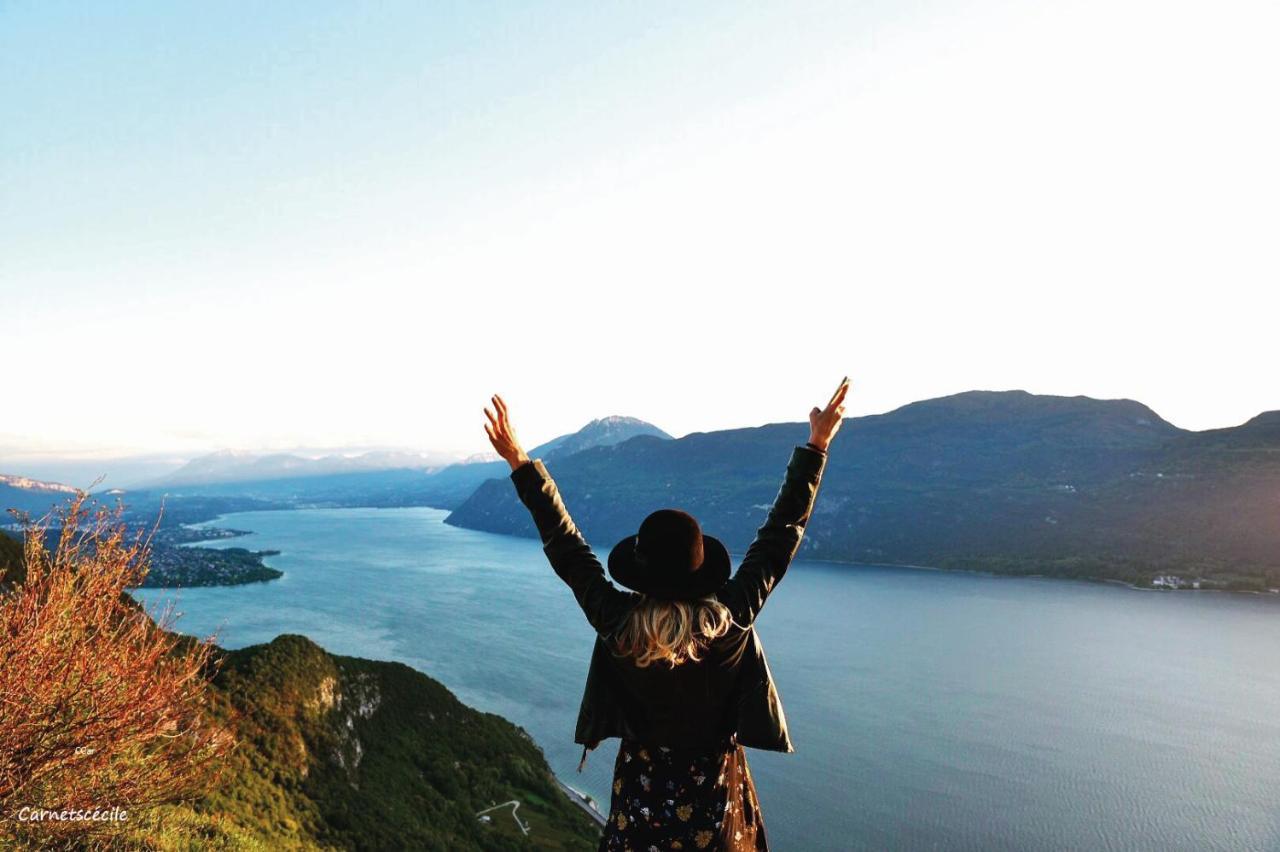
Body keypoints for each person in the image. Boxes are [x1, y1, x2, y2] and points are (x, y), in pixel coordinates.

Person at [482, 377, 848, 851]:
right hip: (715, 802)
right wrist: (816, 446)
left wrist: (520, 461)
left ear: (641, 570)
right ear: (700, 570)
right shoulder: (730, 622)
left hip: (642, 801)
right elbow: (779, 537)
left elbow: (568, 548)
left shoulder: (620, 626)